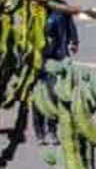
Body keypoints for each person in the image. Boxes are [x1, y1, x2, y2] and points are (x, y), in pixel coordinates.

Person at [33, 8, 80, 143]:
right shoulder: (32, 11)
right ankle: (40, 133)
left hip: (57, 59)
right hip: (38, 60)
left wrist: (74, 42)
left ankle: (52, 130)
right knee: (37, 98)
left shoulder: (59, 10)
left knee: (54, 96)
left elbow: (70, 25)